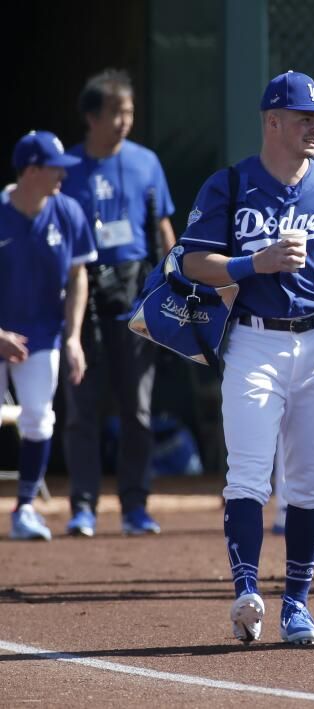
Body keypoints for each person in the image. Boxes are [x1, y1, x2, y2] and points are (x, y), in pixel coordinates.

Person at [180, 70, 314, 645]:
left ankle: (297, 603)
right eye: (305, 119)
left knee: (311, 483)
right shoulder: (231, 183)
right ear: (272, 121)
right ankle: (247, 591)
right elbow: (193, 261)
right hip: (254, 339)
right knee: (249, 472)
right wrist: (255, 263)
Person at [59, 69, 176, 538]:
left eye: (129, 112)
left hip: (134, 293)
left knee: (138, 408)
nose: (125, 121)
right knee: (81, 408)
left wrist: (173, 286)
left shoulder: (147, 162)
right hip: (82, 293)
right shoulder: (66, 167)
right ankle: (83, 507)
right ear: (92, 117)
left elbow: (164, 229)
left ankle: (135, 506)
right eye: (115, 113)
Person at [1, 132, 96, 540]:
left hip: (41, 335)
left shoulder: (68, 211)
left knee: (40, 420)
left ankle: (24, 508)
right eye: (55, 168)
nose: (62, 175)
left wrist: (73, 337)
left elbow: (77, 277)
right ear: (31, 171)